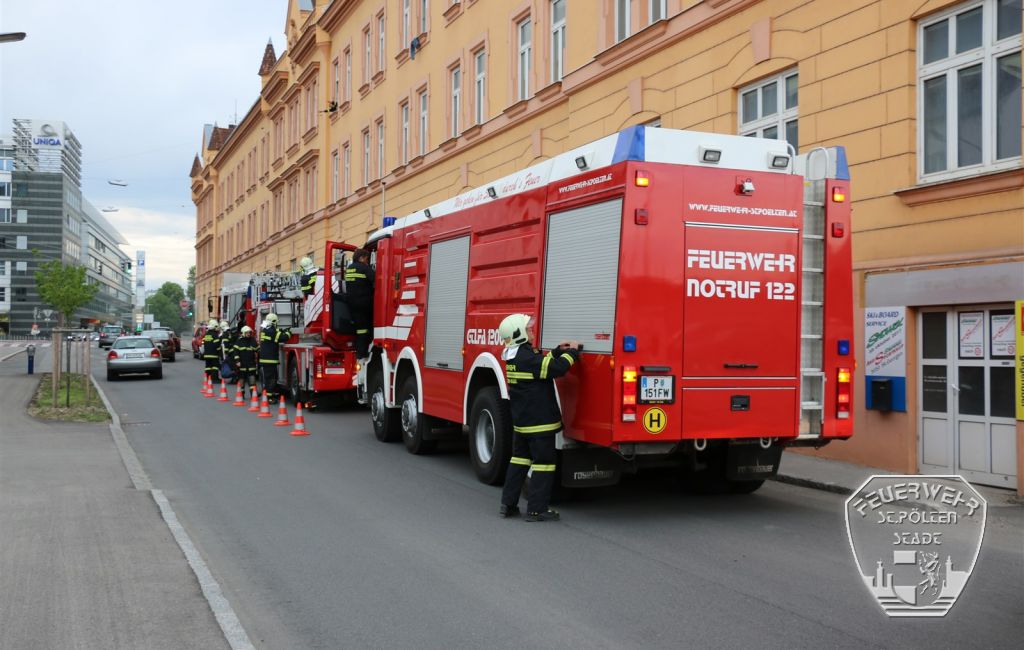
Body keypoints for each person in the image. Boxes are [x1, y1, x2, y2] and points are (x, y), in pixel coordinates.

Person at [497, 313, 580, 522]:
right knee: (543, 463)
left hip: (523, 423)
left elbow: (539, 366)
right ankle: (536, 509)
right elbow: (557, 369)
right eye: (529, 329)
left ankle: (508, 504)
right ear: (519, 335)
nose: (532, 331)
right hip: (539, 423)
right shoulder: (527, 358)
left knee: (519, 461)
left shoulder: (514, 356)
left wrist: (555, 352)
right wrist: (572, 353)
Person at [344, 248, 375, 361]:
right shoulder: (364, 268)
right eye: (366, 259)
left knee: (359, 329)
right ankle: (363, 352)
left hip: (352, 303)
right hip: (365, 303)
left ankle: (359, 352)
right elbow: (377, 279)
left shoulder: (349, 269)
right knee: (367, 328)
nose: (367, 261)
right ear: (361, 257)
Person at [258, 312, 290, 400]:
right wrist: (288, 332)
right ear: (274, 322)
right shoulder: (272, 331)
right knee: (271, 378)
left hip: (265, 359)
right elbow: (283, 338)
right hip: (270, 359)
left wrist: (282, 330)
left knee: (269, 378)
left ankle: (269, 393)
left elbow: (276, 333)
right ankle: (268, 397)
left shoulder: (266, 330)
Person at [231, 326, 259, 392]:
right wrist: (237, 361)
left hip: (251, 364)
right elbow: (235, 352)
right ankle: (241, 393)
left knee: (252, 378)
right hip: (242, 364)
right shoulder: (239, 341)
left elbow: (257, 349)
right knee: (242, 379)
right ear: (243, 333)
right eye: (247, 333)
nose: (249, 334)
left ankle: (253, 393)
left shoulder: (253, 340)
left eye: (249, 332)